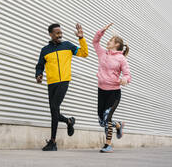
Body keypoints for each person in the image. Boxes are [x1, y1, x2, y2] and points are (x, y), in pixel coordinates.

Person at [35, 23, 89, 151]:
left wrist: (81, 38)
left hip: (64, 81)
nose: (60, 35)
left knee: (54, 108)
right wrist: (38, 75)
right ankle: (69, 121)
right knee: (54, 111)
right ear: (50, 34)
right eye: (57, 33)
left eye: (60, 32)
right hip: (51, 83)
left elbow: (84, 53)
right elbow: (40, 65)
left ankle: (53, 142)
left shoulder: (68, 46)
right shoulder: (45, 50)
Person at [93, 23, 131, 153]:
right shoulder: (102, 53)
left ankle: (108, 145)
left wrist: (125, 80)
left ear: (116, 45)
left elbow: (127, 74)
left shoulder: (121, 59)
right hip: (101, 91)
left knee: (107, 118)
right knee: (102, 121)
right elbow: (95, 42)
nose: (107, 42)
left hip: (114, 93)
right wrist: (101, 31)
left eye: (110, 40)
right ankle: (119, 125)